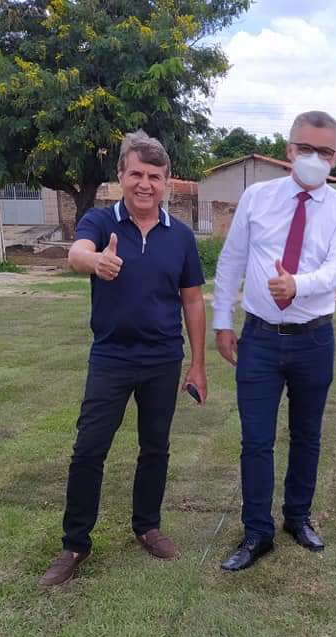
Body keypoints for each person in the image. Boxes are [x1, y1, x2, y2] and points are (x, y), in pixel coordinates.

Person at [39, 130, 207, 587]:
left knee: (155, 448)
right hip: (111, 358)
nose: (145, 184)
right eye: (137, 174)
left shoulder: (182, 237)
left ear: (167, 182)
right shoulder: (99, 221)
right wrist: (93, 263)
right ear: (121, 176)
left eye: (155, 176)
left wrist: (197, 363)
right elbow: (77, 253)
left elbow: (192, 300)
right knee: (89, 449)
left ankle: (147, 527)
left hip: (162, 359)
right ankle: (75, 544)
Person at [212, 111, 336, 571]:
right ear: (289, 149)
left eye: (326, 152)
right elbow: (231, 262)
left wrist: (299, 284)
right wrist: (222, 321)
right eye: (306, 148)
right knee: (255, 440)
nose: (315, 158)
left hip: (314, 340)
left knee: (307, 435)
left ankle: (297, 517)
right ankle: (257, 532)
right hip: (258, 338)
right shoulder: (258, 198)